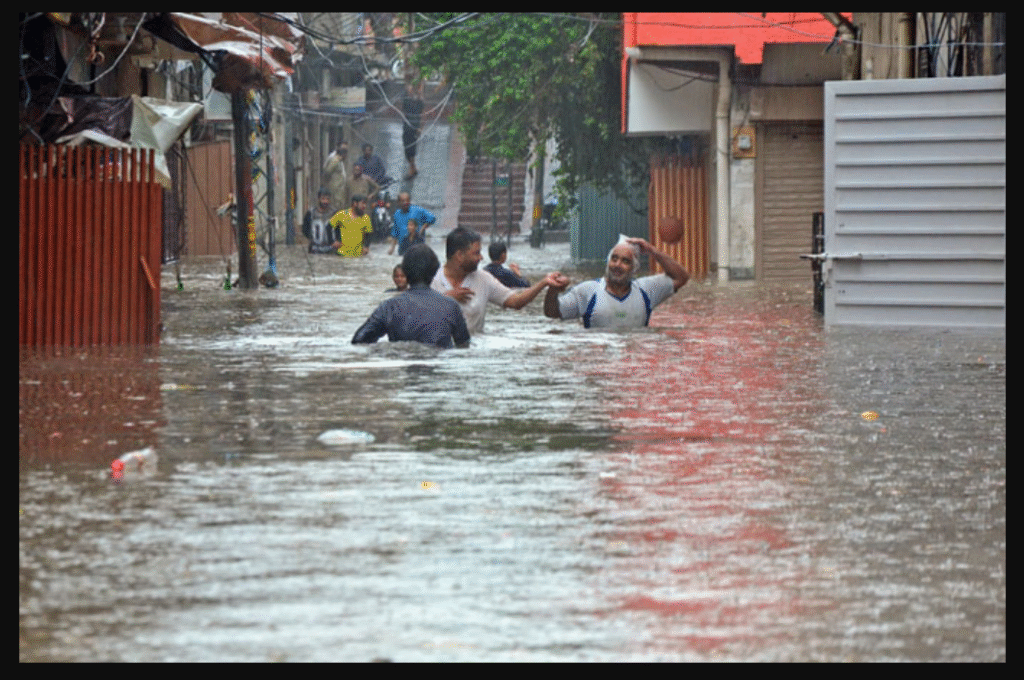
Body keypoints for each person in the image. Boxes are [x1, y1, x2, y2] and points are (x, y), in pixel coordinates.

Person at [431, 227, 567, 335]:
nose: (481, 258)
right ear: (459, 255)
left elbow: (515, 301)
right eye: (476, 253)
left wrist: (543, 283)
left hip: (471, 354)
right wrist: (445, 299)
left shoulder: (483, 279)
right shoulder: (431, 279)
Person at [544, 236, 689, 328]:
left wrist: (652, 251)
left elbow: (681, 277)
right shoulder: (588, 291)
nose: (618, 265)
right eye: (614, 259)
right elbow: (552, 312)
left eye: (625, 261)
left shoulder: (646, 290)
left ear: (635, 269)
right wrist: (553, 290)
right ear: (608, 262)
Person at [352, 243, 470, 349]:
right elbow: (464, 346)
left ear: (406, 272)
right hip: (438, 367)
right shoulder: (451, 306)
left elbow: (359, 340)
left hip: (402, 367)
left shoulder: (389, 307)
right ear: (434, 271)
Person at [387, 191, 436, 256]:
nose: (405, 203)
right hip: (403, 247)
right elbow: (395, 232)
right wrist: (392, 248)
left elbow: (432, 218)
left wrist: (422, 228)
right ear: (398, 202)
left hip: (417, 247)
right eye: (403, 201)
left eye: (407, 200)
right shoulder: (397, 214)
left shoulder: (417, 210)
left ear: (410, 201)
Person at [302, 188, 342, 254]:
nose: (325, 202)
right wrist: (311, 238)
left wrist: (338, 241)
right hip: (315, 249)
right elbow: (305, 229)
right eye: (323, 199)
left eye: (327, 199)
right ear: (319, 199)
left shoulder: (335, 213)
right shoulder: (311, 213)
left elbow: (340, 230)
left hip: (331, 249)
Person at [402, 84, 425, 180]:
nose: (410, 90)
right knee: (406, 147)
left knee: (411, 148)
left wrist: (420, 128)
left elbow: (423, 115)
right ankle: (413, 167)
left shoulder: (419, 102)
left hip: (414, 128)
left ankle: (412, 168)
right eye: (409, 88)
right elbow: (403, 112)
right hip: (406, 128)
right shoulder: (406, 101)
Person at [322, 139, 348, 205]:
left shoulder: (340, 160)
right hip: (334, 190)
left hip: (339, 189)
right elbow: (327, 172)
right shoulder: (334, 159)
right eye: (343, 148)